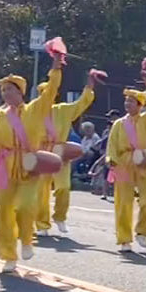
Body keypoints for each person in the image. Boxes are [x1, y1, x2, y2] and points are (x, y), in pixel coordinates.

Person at [0, 62, 69, 274]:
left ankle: (27, 239)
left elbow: (51, 90)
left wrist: (55, 67)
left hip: (29, 166)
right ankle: (9, 255)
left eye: (10, 89)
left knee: (26, 207)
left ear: (20, 91)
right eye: (3, 90)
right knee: (4, 213)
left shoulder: (35, 109)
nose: (6, 93)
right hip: (4, 166)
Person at [35, 74, 96, 236]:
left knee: (63, 187)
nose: (46, 97)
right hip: (41, 154)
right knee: (41, 190)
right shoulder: (33, 112)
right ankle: (42, 224)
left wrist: (89, 87)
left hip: (60, 154)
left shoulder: (63, 110)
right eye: (43, 93)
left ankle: (60, 216)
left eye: (49, 93)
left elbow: (81, 104)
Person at [106, 89, 146, 253]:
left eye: (131, 101)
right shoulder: (119, 123)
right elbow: (111, 144)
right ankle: (124, 239)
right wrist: (111, 159)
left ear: (140, 105)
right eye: (126, 101)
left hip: (143, 161)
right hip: (124, 163)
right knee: (124, 202)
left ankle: (142, 232)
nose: (127, 104)